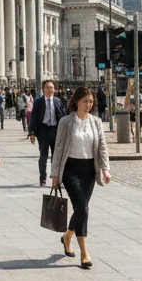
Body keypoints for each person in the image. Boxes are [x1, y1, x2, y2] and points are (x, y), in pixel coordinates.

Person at [51, 86, 111, 269]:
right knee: (83, 208)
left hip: (89, 171)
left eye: (91, 102)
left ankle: (67, 236)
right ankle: (84, 253)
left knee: (81, 209)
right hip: (70, 170)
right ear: (76, 101)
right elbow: (59, 148)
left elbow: (102, 146)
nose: (89, 105)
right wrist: (55, 173)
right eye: (85, 101)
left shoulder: (96, 122)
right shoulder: (66, 122)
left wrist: (106, 169)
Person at [29, 80, 67, 187]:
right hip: (43, 131)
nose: (50, 89)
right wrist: (31, 132)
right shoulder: (38, 102)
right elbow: (33, 118)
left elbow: (63, 116)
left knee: (56, 156)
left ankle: (56, 177)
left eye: (51, 87)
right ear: (43, 89)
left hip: (56, 131)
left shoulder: (58, 101)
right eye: (47, 87)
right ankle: (43, 178)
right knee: (43, 156)